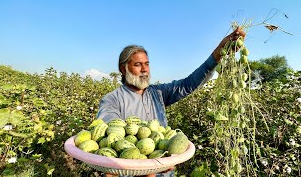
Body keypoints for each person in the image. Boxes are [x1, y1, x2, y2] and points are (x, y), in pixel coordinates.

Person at [97, 27, 246, 177]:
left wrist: (220, 52)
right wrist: (144, 166)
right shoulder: (112, 100)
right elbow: (109, 136)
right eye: (137, 65)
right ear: (123, 69)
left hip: (165, 171)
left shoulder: (158, 93)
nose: (144, 70)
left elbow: (189, 84)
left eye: (146, 64)